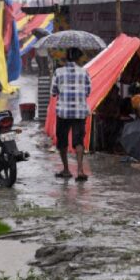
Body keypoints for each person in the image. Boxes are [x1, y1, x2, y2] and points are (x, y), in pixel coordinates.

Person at [51, 47, 92, 181]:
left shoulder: (58, 72)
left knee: (62, 140)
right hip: (80, 112)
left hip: (63, 112)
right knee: (78, 141)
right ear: (78, 58)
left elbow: (54, 91)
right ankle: (80, 171)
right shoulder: (84, 72)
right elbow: (88, 91)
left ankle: (66, 170)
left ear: (66, 57)